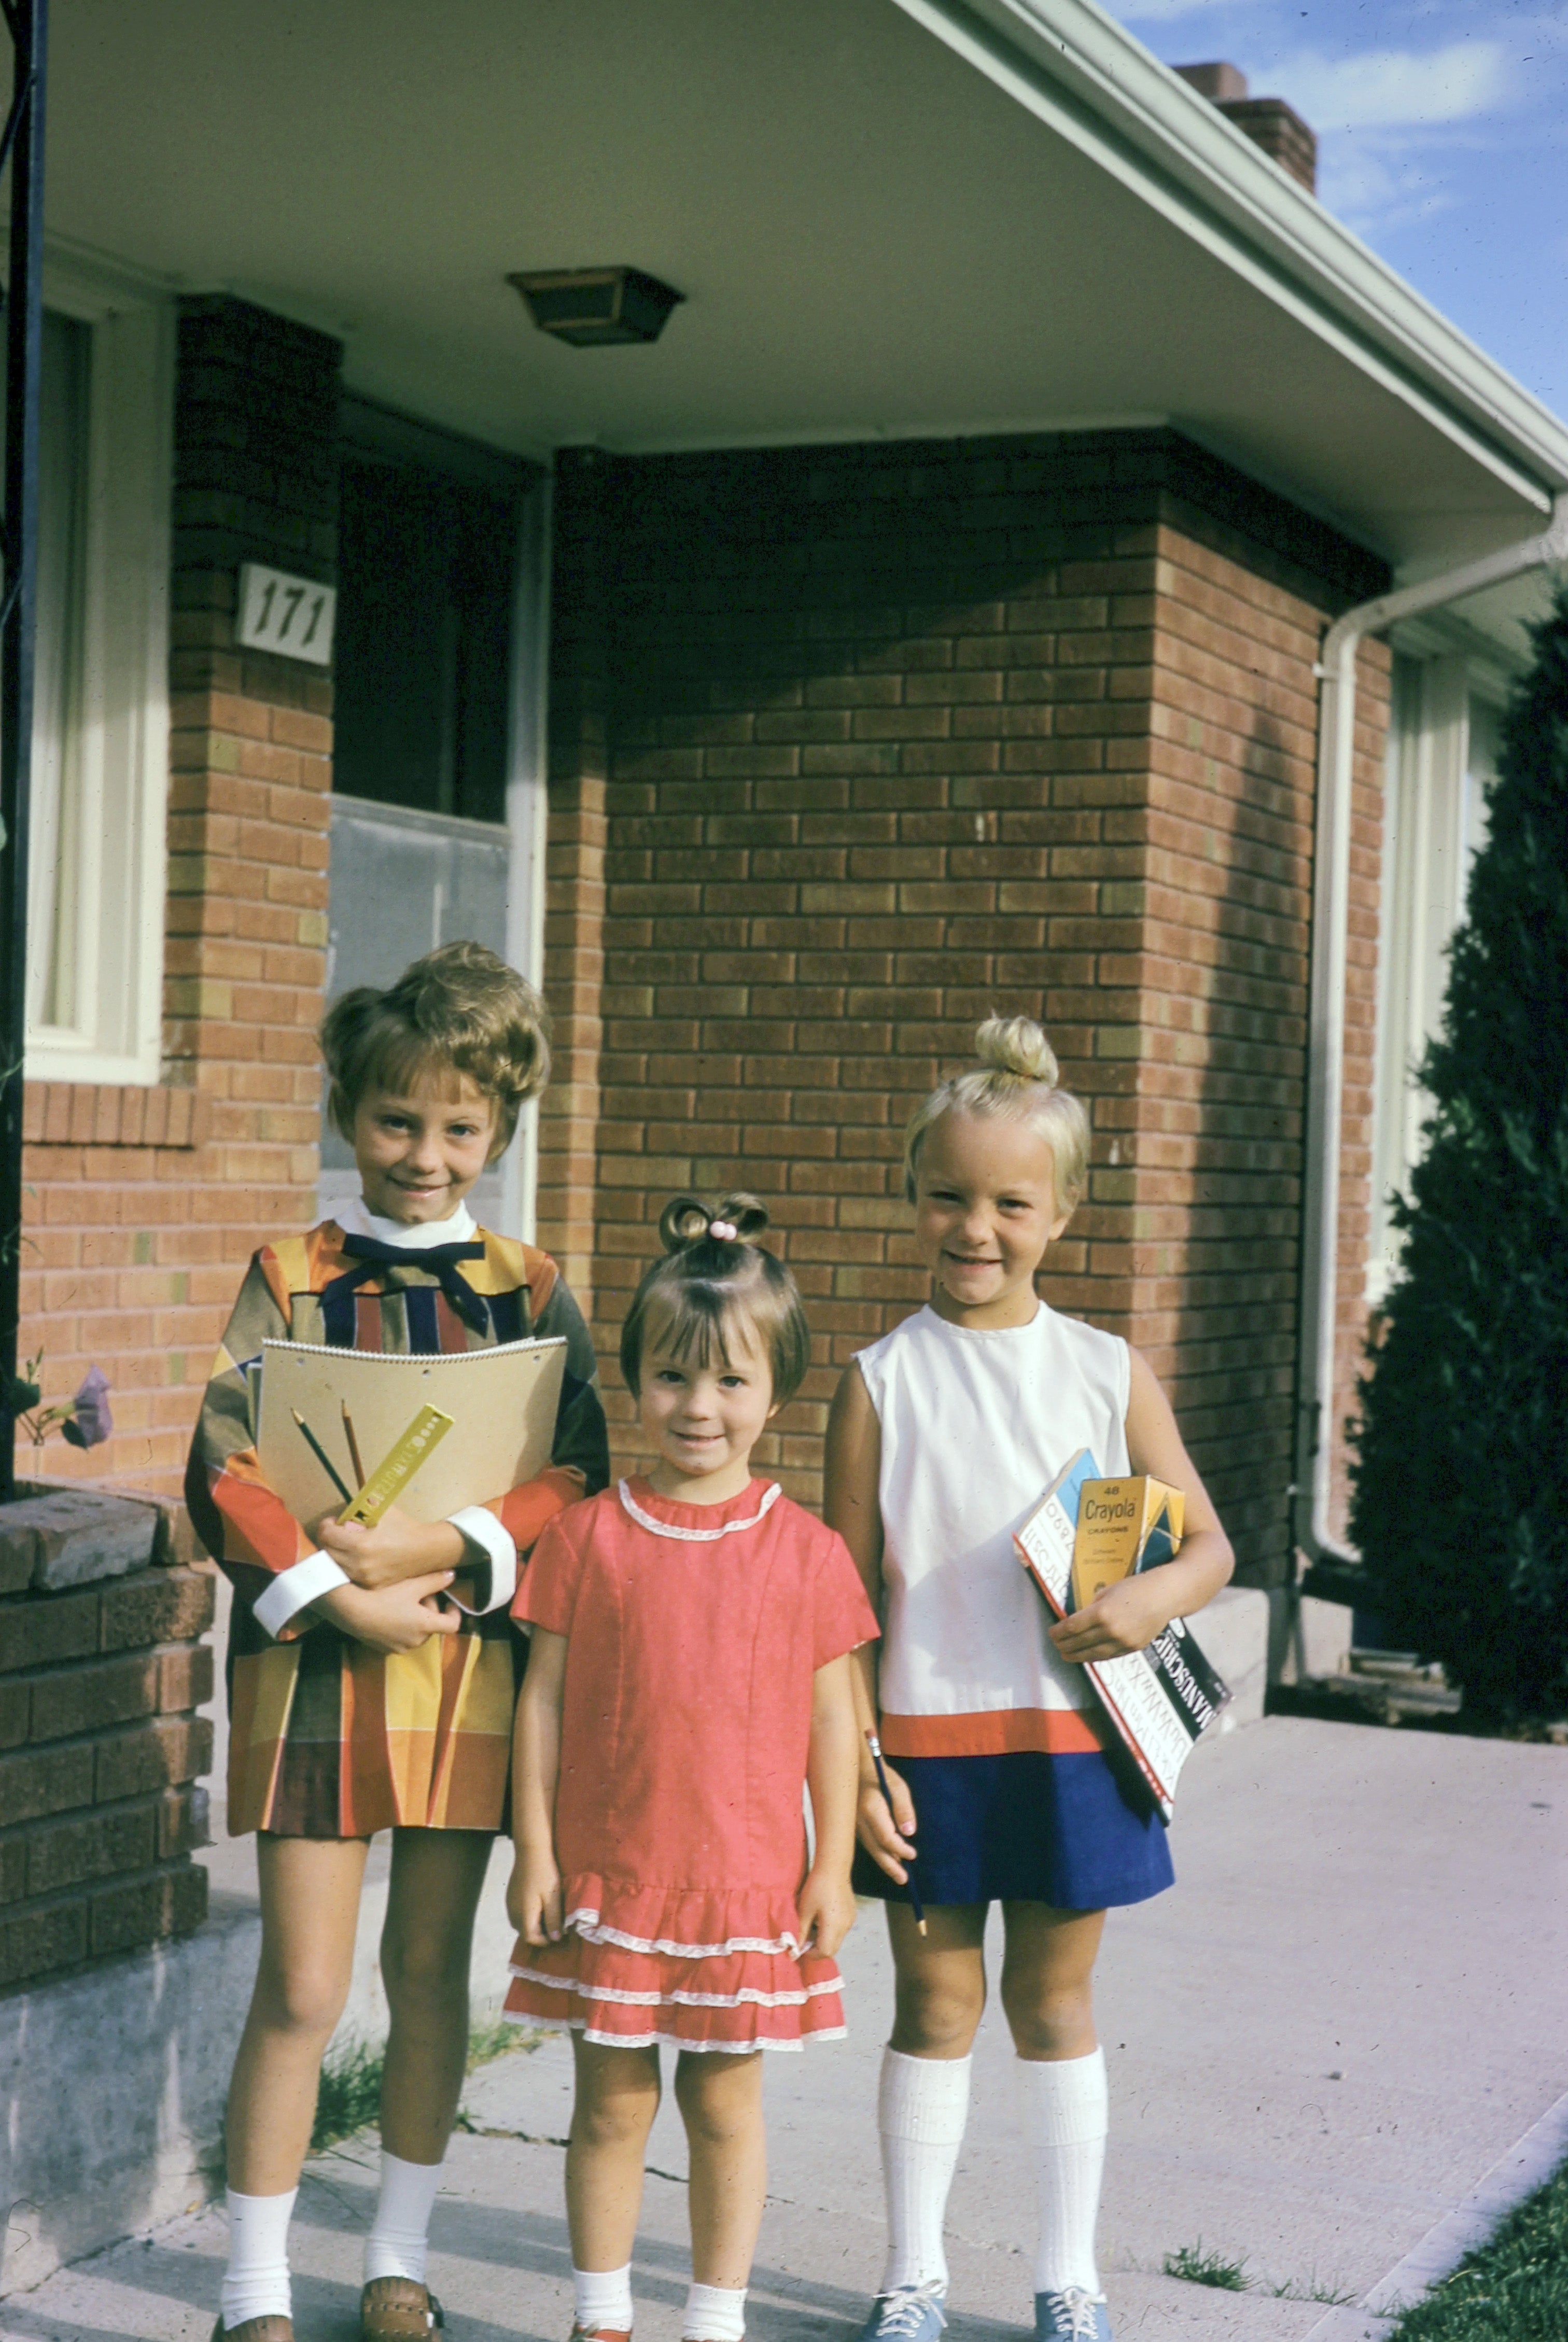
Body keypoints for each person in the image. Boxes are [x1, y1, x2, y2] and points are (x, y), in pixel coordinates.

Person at [187, 942, 609, 2342]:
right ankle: (251, 2288)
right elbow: (224, 1463)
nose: (424, 1153)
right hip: (315, 1657)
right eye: (395, 1120)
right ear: (347, 1113)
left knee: (428, 1975)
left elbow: (577, 1473)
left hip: (462, 1657)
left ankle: (396, 2261)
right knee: (303, 1984)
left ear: (500, 1129)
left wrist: (440, 1548)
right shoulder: (286, 1270)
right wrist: (335, 1588)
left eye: (459, 1128)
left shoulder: (531, 1285)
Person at [824, 1017, 1235, 2342]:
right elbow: (839, 1607)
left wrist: (1143, 1597)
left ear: (1061, 1215)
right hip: (926, 1746)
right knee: (934, 2004)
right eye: (948, 1195)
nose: (975, 1228)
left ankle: (1071, 2279)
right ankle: (914, 2280)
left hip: (1075, 1742)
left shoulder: (1105, 1369)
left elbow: (1210, 1543)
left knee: (1054, 2000)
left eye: (1010, 1202)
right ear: (913, 1194)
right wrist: (858, 1764)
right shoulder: (877, 1382)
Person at [505, 1195, 878, 2342]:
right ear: (634, 1380)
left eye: (729, 1382)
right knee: (610, 2105)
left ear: (777, 1390)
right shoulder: (589, 1539)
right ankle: (601, 2315)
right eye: (672, 1377)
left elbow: (832, 1726)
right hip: (612, 1878)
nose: (699, 1407)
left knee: (724, 2106)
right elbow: (546, 1702)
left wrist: (835, 1870)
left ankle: (716, 2318)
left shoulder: (805, 1552)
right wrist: (536, 1846)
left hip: (745, 1882)